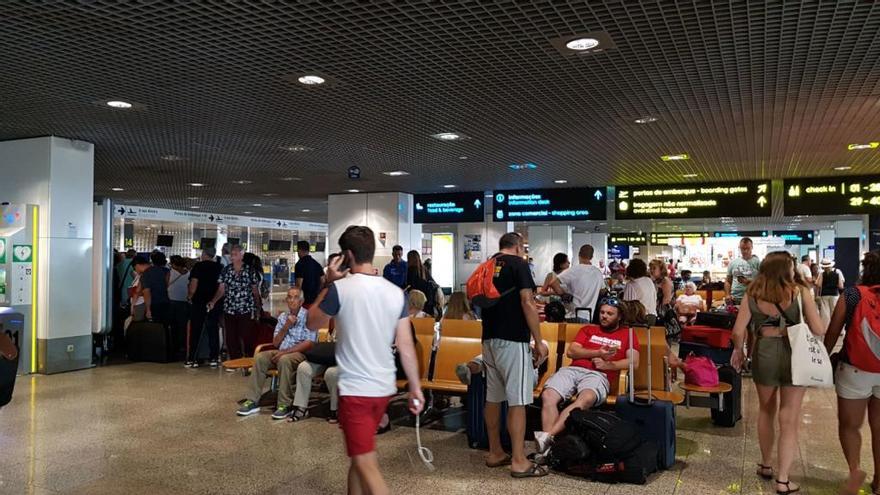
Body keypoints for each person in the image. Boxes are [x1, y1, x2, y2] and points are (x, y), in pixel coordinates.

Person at [306, 225, 424, 495]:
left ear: (347, 255)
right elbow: (405, 345)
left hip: (356, 390)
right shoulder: (396, 293)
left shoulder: (340, 290)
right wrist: (415, 387)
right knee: (359, 459)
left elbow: (313, 321)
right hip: (383, 388)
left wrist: (328, 283)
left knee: (365, 464)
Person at [730, 252, 825, 495]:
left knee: (766, 410)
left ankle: (766, 464)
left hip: (764, 352)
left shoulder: (753, 293)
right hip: (796, 353)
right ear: (787, 269)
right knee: (789, 418)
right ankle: (783, 480)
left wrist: (738, 352)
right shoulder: (800, 292)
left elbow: (738, 330)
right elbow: (818, 328)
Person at [479, 232, 549, 478]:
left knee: (493, 397)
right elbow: (527, 302)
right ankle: (519, 460)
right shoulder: (519, 264)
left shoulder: (489, 264)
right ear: (518, 247)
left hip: (488, 340)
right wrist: (538, 340)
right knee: (518, 400)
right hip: (513, 341)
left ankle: (495, 451)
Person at [534, 298, 639, 453]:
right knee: (549, 395)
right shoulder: (588, 329)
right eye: (602, 312)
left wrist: (609, 365)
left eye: (610, 314)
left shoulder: (628, 334)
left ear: (620, 317)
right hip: (573, 370)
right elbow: (572, 352)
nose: (604, 316)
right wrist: (598, 352)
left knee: (585, 399)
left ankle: (547, 439)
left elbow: (633, 362)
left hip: (599, 374)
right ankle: (549, 445)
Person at [823, 251, 880, 495]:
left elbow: (833, 330)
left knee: (849, 426)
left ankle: (855, 469)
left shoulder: (853, 294)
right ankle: (879, 481)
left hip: (855, 369)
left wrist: (824, 357)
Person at [236, 287, 316, 420]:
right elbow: (276, 342)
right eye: (289, 297)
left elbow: (310, 343)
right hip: (281, 350)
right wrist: (286, 327)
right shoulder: (283, 317)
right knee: (261, 357)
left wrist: (285, 352)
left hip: (300, 352)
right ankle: (252, 400)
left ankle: (284, 405)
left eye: (295, 297)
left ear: (301, 301)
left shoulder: (309, 316)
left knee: (285, 360)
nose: (292, 300)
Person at [208, 245, 262, 362]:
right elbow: (221, 289)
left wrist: (258, 306)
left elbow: (255, 290)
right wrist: (213, 301)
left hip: (246, 308)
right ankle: (234, 360)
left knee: (247, 335)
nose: (232, 257)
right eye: (231, 254)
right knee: (231, 337)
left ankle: (249, 359)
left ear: (242, 255)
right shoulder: (226, 270)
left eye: (235, 254)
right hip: (229, 308)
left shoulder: (250, 270)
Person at [547, 245, 604, 322]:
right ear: (591, 257)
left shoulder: (574, 270)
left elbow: (553, 283)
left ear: (579, 254)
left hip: (573, 314)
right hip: (588, 316)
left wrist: (563, 294)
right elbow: (602, 291)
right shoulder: (598, 273)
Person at [186, 247, 223, 367]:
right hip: (214, 303)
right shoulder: (220, 267)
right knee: (213, 330)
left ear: (203, 254)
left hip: (199, 302)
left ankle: (193, 358)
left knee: (196, 329)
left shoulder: (198, 266)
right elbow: (222, 287)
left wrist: (190, 296)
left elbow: (193, 284)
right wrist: (214, 300)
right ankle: (214, 357)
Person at [726, 237, 761, 305]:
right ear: (740, 248)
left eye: (748, 248)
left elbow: (764, 281)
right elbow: (728, 281)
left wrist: (750, 281)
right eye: (743, 249)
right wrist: (727, 294)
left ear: (752, 247)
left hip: (753, 299)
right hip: (735, 299)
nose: (745, 251)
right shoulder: (733, 263)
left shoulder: (758, 263)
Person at [167, 256, 191, 357]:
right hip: (184, 302)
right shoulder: (189, 273)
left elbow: (166, 285)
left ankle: (174, 345)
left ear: (173, 264)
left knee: (173, 326)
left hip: (172, 301)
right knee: (183, 326)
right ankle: (183, 346)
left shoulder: (170, 272)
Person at [623, 258, 658, 325]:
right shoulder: (649, 281)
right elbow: (654, 297)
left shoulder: (631, 284)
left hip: (639, 318)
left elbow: (627, 305)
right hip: (652, 316)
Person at [140, 251, 171, 324]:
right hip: (166, 302)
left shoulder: (147, 272)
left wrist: (148, 309)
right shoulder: (167, 271)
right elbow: (168, 286)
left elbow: (147, 291)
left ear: (152, 260)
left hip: (153, 303)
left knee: (154, 327)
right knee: (164, 326)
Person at [406, 250, 438, 317]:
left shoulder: (411, 271)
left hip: (416, 302)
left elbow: (410, 287)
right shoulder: (424, 270)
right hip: (427, 302)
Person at [816, 258, 845, 327]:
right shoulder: (837, 272)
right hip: (834, 294)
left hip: (824, 294)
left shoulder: (822, 274)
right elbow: (841, 286)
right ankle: (836, 328)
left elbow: (819, 284)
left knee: (825, 313)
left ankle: (825, 328)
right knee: (834, 312)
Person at [295, 240, 324, 306]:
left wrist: (296, 299)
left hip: (305, 301)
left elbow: (299, 284)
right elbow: (323, 281)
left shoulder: (299, 264)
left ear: (299, 250)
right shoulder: (317, 264)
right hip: (316, 301)